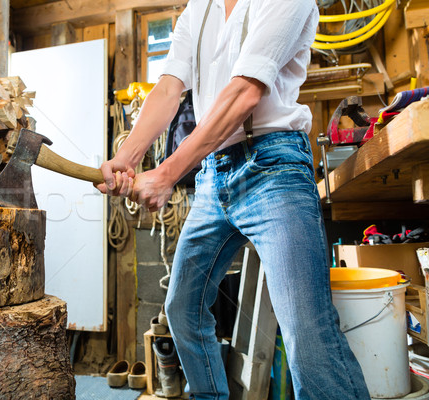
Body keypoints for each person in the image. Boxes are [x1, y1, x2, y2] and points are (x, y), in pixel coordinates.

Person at [96, 0, 371, 399]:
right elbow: (170, 87)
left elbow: (245, 92)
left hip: (273, 167)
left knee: (305, 330)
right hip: (214, 175)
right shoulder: (199, 8)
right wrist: (128, 156)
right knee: (183, 309)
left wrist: (168, 173)